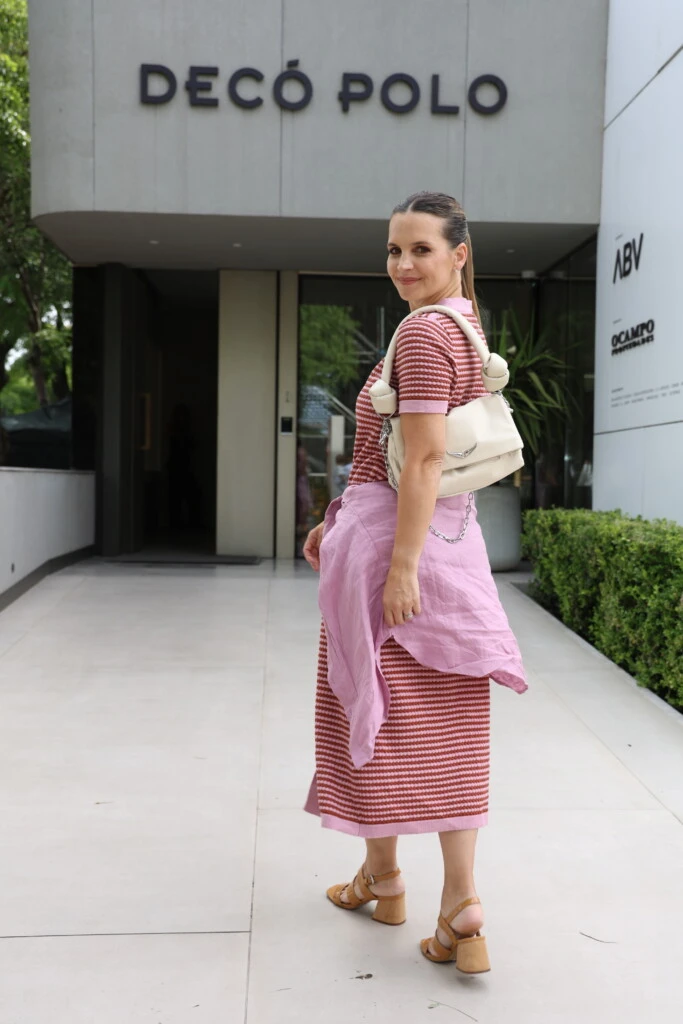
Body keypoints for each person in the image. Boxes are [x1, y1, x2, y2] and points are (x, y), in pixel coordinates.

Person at [302, 192, 528, 975]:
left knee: (371, 714)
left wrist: (397, 566)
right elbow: (406, 457)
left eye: (420, 249)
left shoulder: (426, 334)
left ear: (458, 254)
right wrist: (335, 520)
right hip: (446, 547)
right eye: (393, 250)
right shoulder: (463, 326)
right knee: (447, 727)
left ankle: (390, 878)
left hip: (399, 555)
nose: (402, 264)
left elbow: (425, 459)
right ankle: (450, 903)